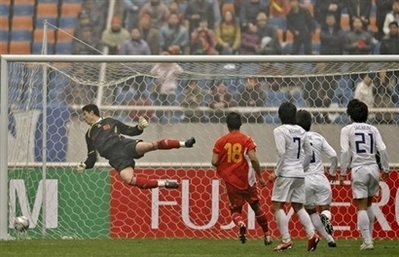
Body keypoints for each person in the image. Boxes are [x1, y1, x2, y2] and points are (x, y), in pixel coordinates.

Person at [77, 104, 196, 189]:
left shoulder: (110, 121)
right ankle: (165, 183)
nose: (84, 117)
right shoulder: (89, 134)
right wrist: (85, 165)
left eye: (85, 114)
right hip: (116, 159)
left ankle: (185, 143)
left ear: (92, 112)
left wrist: (139, 127)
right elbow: (92, 158)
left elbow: (130, 131)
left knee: (151, 145)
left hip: (124, 146)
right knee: (130, 180)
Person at [211, 112, 272, 246]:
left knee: (235, 210)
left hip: (231, 181)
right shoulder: (247, 139)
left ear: (227, 125)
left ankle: (240, 223)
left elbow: (214, 161)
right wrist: (260, 177)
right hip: (247, 180)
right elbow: (254, 159)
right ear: (240, 124)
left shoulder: (220, 141)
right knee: (257, 207)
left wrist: (225, 161)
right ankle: (267, 235)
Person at [339, 99, 390, 250]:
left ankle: (367, 241)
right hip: (373, 168)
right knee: (368, 204)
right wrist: (385, 169)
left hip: (359, 168)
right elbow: (382, 149)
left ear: (349, 114)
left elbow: (345, 151)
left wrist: (343, 172)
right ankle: (369, 239)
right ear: (366, 114)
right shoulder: (373, 129)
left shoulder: (347, 129)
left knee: (360, 206)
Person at [268, 102, 320, 252]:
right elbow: (309, 153)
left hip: (286, 173)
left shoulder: (279, 130)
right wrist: (301, 168)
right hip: (299, 173)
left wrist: (276, 173)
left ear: (280, 115)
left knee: (278, 205)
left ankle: (286, 240)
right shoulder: (301, 131)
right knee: (298, 206)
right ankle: (312, 235)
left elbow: (281, 153)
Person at [296, 110, 338, 248]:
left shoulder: (296, 139)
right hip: (320, 178)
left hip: (305, 180)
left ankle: (329, 239)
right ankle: (326, 218)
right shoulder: (318, 137)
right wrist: (332, 171)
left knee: (311, 211)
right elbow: (333, 155)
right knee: (325, 208)